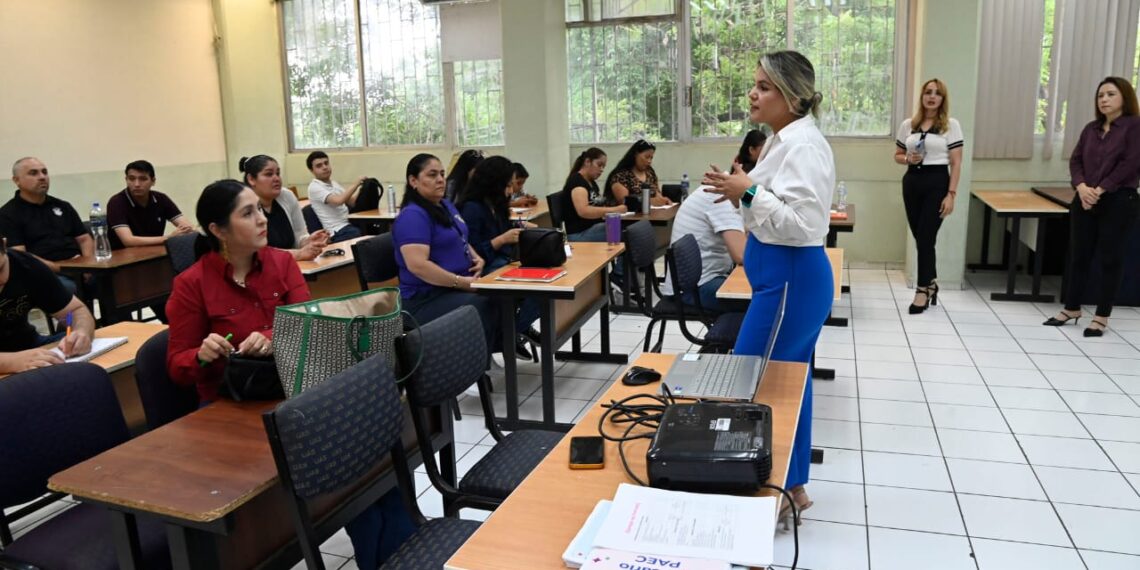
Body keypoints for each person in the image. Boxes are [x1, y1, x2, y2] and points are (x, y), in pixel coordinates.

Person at [703, 50, 835, 526]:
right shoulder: (783, 139)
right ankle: (791, 484)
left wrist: (749, 192)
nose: (753, 93)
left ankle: (771, 485)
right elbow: (767, 199)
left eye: (764, 86)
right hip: (780, 280)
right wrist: (739, 185)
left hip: (790, 280)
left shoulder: (804, 145)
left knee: (755, 383)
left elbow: (804, 223)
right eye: (754, 83)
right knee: (785, 384)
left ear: (792, 95)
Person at [165, 179, 311, 405]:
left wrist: (271, 337)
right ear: (218, 230)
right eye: (247, 214)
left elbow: (309, 324)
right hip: (231, 400)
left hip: (290, 386)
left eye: (259, 209)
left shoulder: (283, 263)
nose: (262, 219)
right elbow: (177, 368)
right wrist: (201, 355)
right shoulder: (191, 283)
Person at [1044, 76, 1140, 337]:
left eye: (1110, 94)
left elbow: (1131, 163)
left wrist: (1101, 188)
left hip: (1119, 200)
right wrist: (1082, 187)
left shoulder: (1134, 127)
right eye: (1100, 96)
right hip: (1085, 199)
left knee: (1110, 259)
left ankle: (1101, 316)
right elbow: (1076, 161)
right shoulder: (1091, 129)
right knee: (1079, 255)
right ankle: (1072, 308)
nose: (1104, 99)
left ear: (1125, 97)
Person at [392, 153, 500, 354]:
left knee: (510, 294)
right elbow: (418, 266)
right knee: (486, 302)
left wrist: (477, 257)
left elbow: (461, 237)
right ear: (413, 181)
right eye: (432, 175)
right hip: (425, 299)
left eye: (442, 174)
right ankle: (476, 363)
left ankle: (496, 348)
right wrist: (462, 282)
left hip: (454, 287)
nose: (440, 179)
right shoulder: (413, 216)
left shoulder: (445, 205)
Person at [662, 134, 758, 312]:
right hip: (695, 288)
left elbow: (747, 233)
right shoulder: (719, 196)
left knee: (764, 291)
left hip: (706, 278)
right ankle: (730, 339)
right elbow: (742, 255)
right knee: (761, 300)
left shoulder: (728, 191)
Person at [457, 156, 541, 355]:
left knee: (547, 288)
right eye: (508, 184)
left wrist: (518, 227)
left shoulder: (497, 205)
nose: (511, 190)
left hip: (504, 262)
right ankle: (509, 334)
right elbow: (471, 251)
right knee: (537, 290)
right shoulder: (472, 209)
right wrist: (501, 239)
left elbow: (502, 229)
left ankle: (513, 330)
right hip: (486, 268)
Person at [894, 78, 963, 314]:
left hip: (937, 183)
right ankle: (931, 282)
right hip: (912, 182)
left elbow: (956, 162)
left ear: (943, 99)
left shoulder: (950, 125)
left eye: (937, 93)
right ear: (922, 96)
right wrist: (907, 159)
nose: (931, 97)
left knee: (925, 238)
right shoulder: (909, 125)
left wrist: (951, 194)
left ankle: (922, 290)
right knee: (921, 238)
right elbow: (898, 154)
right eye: (927, 92)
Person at [0, 233, 95, 374]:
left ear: (4, 245)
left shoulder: (26, 265)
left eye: (0, 270)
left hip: (29, 345)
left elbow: (73, 311)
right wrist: (11, 362)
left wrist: (80, 331)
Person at [0, 157, 93, 295]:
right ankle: (70, 318)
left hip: (79, 266)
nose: (42, 177)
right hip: (45, 273)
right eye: (33, 173)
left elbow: (84, 239)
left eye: (44, 172)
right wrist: (59, 267)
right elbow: (20, 255)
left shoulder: (63, 206)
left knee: (115, 281)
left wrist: (89, 266)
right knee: (68, 289)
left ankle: (114, 317)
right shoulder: (8, 214)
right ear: (16, 180)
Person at [240, 155, 329, 261]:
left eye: (278, 173)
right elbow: (257, 253)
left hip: (290, 265)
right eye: (269, 174)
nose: (276, 178)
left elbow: (299, 236)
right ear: (251, 179)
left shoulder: (287, 196)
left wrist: (309, 241)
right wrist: (298, 254)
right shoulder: (244, 206)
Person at [107, 160, 195, 249]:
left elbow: (187, 227)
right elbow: (128, 241)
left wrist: (190, 230)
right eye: (132, 179)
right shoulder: (116, 202)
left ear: (153, 181)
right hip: (123, 256)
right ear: (126, 180)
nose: (136, 184)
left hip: (154, 252)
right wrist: (169, 238)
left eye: (143, 179)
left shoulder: (161, 199)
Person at [561, 147, 626, 242]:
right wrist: (614, 210)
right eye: (599, 165)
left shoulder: (591, 182)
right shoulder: (577, 182)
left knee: (626, 227)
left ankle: (621, 256)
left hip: (593, 227)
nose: (601, 169)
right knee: (624, 231)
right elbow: (583, 211)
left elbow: (598, 204)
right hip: (579, 233)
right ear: (587, 161)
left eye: (603, 167)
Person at [305, 151, 365, 243]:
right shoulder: (314, 187)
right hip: (337, 232)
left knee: (373, 227)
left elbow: (352, 202)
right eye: (319, 166)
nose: (324, 167)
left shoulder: (334, 184)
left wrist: (363, 189)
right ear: (311, 170)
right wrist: (356, 183)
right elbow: (338, 201)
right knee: (358, 233)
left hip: (348, 224)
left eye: (326, 163)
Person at [605, 139, 674, 209]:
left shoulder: (650, 172)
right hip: (630, 217)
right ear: (635, 154)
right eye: (646, 157)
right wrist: (650, 201)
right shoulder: (620, 175)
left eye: (651, 158)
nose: (649, 161)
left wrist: (663, 200)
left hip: (652, 214)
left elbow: (657, 194)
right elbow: (624, 202)